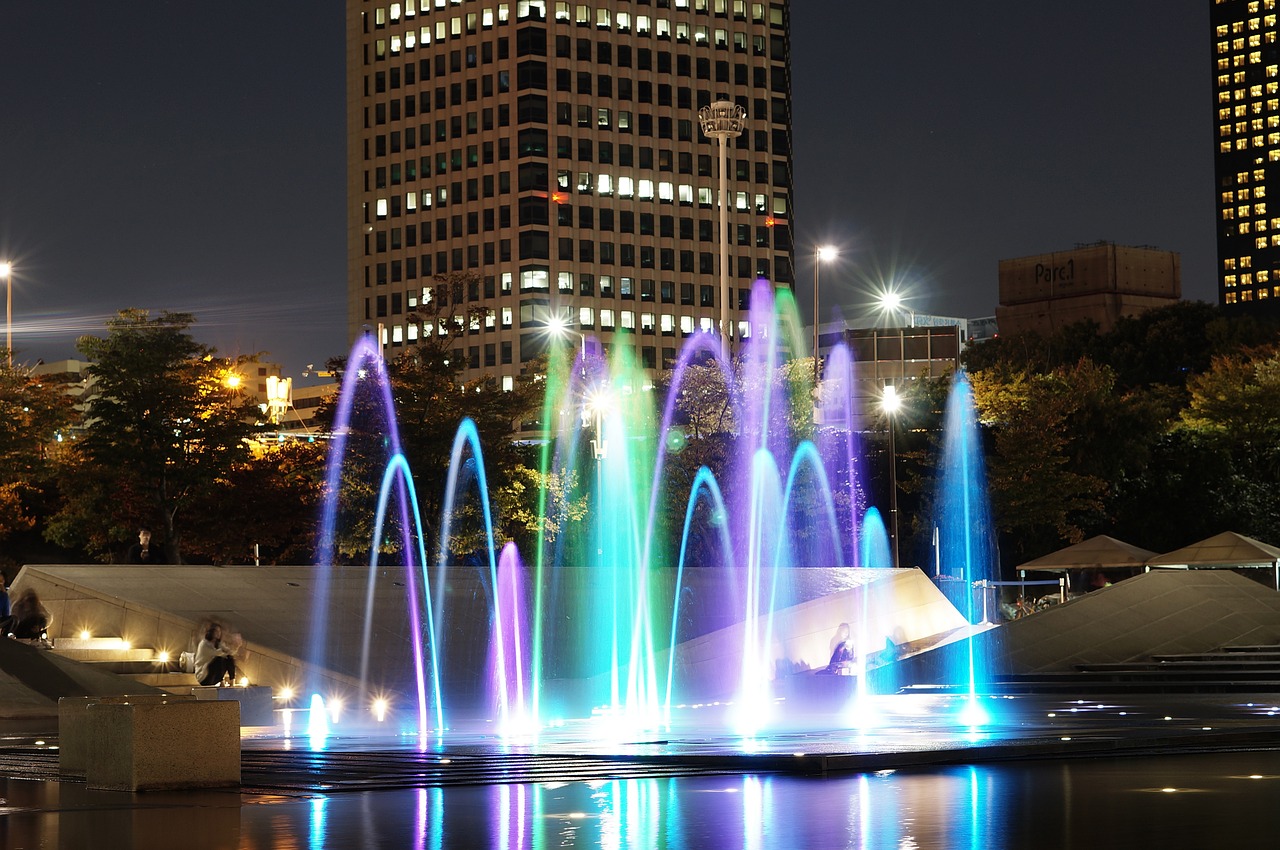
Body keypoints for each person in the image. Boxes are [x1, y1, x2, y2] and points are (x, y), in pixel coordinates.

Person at [194, 622, 241, 686]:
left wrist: (237, 647)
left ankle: (232, 681)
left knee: (229, 658)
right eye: (216, 631)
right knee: (219, 659)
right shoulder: (204, 644)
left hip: (213, 676)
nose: (218, 633)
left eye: (219, 631)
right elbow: (218, 653)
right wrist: (228, 652)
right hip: (203, 676)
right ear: (211, 631)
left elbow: (229, 652)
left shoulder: (218, 644)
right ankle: (222, 682)